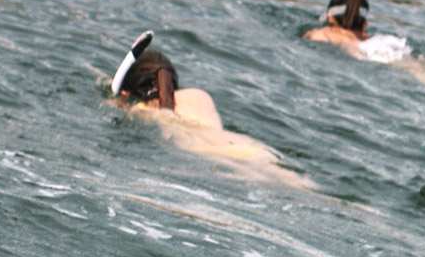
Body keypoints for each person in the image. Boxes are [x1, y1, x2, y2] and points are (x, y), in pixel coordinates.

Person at [108, 32, 306, 185]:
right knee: (301, 185)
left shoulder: (141, 110)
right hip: (251, 148)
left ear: (130, 90)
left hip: (220, 159)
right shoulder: (199, 96)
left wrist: (117, 100)